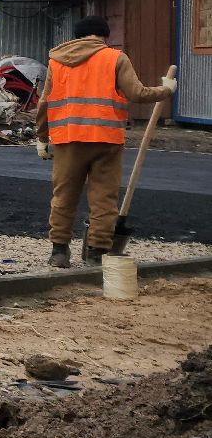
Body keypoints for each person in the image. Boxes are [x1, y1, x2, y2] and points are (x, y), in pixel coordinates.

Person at [32, 16, 175, 267]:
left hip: (68, 139)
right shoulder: (115, 57)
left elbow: (44, 103)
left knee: (64, 196)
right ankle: (97, 254)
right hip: (106, 140)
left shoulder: (57, 62)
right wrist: (166, 89)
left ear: (77, 36)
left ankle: (59, 252)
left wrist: (42, 137)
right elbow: (137, 93)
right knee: (103, 198)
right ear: (104, 36)